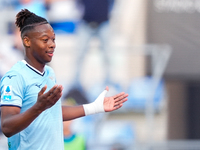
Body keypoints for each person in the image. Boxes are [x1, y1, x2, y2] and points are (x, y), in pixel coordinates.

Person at [0, 9, 128, 150]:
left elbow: (53, 112)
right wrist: (38, 108)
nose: (52, 44)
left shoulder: (49, 73)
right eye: (45, 40)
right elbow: (7, 127)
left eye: (53, 39)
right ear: (27, 41)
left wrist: (95, 107)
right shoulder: (15, 77)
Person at [73, 0, 114, 89]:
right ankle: (75, 83)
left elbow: (113, 3)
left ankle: (109, 82)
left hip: (103, 23)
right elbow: (77, 4)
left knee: (107, 55)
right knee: (79, 54)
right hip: (86, 23)